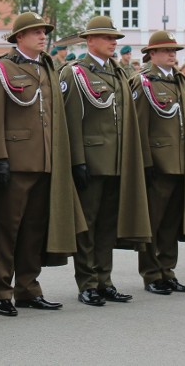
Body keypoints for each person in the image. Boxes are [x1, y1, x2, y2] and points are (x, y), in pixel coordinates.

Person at [0, 12, 85, 317]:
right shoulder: (1, 68)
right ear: (19, 38)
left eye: (43, 32)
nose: (42, 36)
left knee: (34, 230)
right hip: (15, 162)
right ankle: (1, 291)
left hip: (44, 162)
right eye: (35, 32)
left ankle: (28, 287)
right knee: (7, 230)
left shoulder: (48, 68)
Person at [60, 16, 150, 306]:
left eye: (115, 38)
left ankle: (104, 280)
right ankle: (87, 282)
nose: (114, 43)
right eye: (107, 38)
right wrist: (77, 161)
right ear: (90, 41)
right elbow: (71, 120)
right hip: (91, 159)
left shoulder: (118, 73)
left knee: (108, 225)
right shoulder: (75, 73)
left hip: (116, 160)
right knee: (87, 225)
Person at [132, 31, 185, 295]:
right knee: (153, 223)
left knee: (170, 223)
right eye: (166, 50)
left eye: (175, 51)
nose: (172, 54)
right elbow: (139, 126)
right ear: (151, 54)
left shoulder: (180, 81)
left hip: (181, 161)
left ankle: (167, 270)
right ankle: (151, 274)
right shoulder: (144, 82)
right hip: (159, 163)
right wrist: (146, 163)